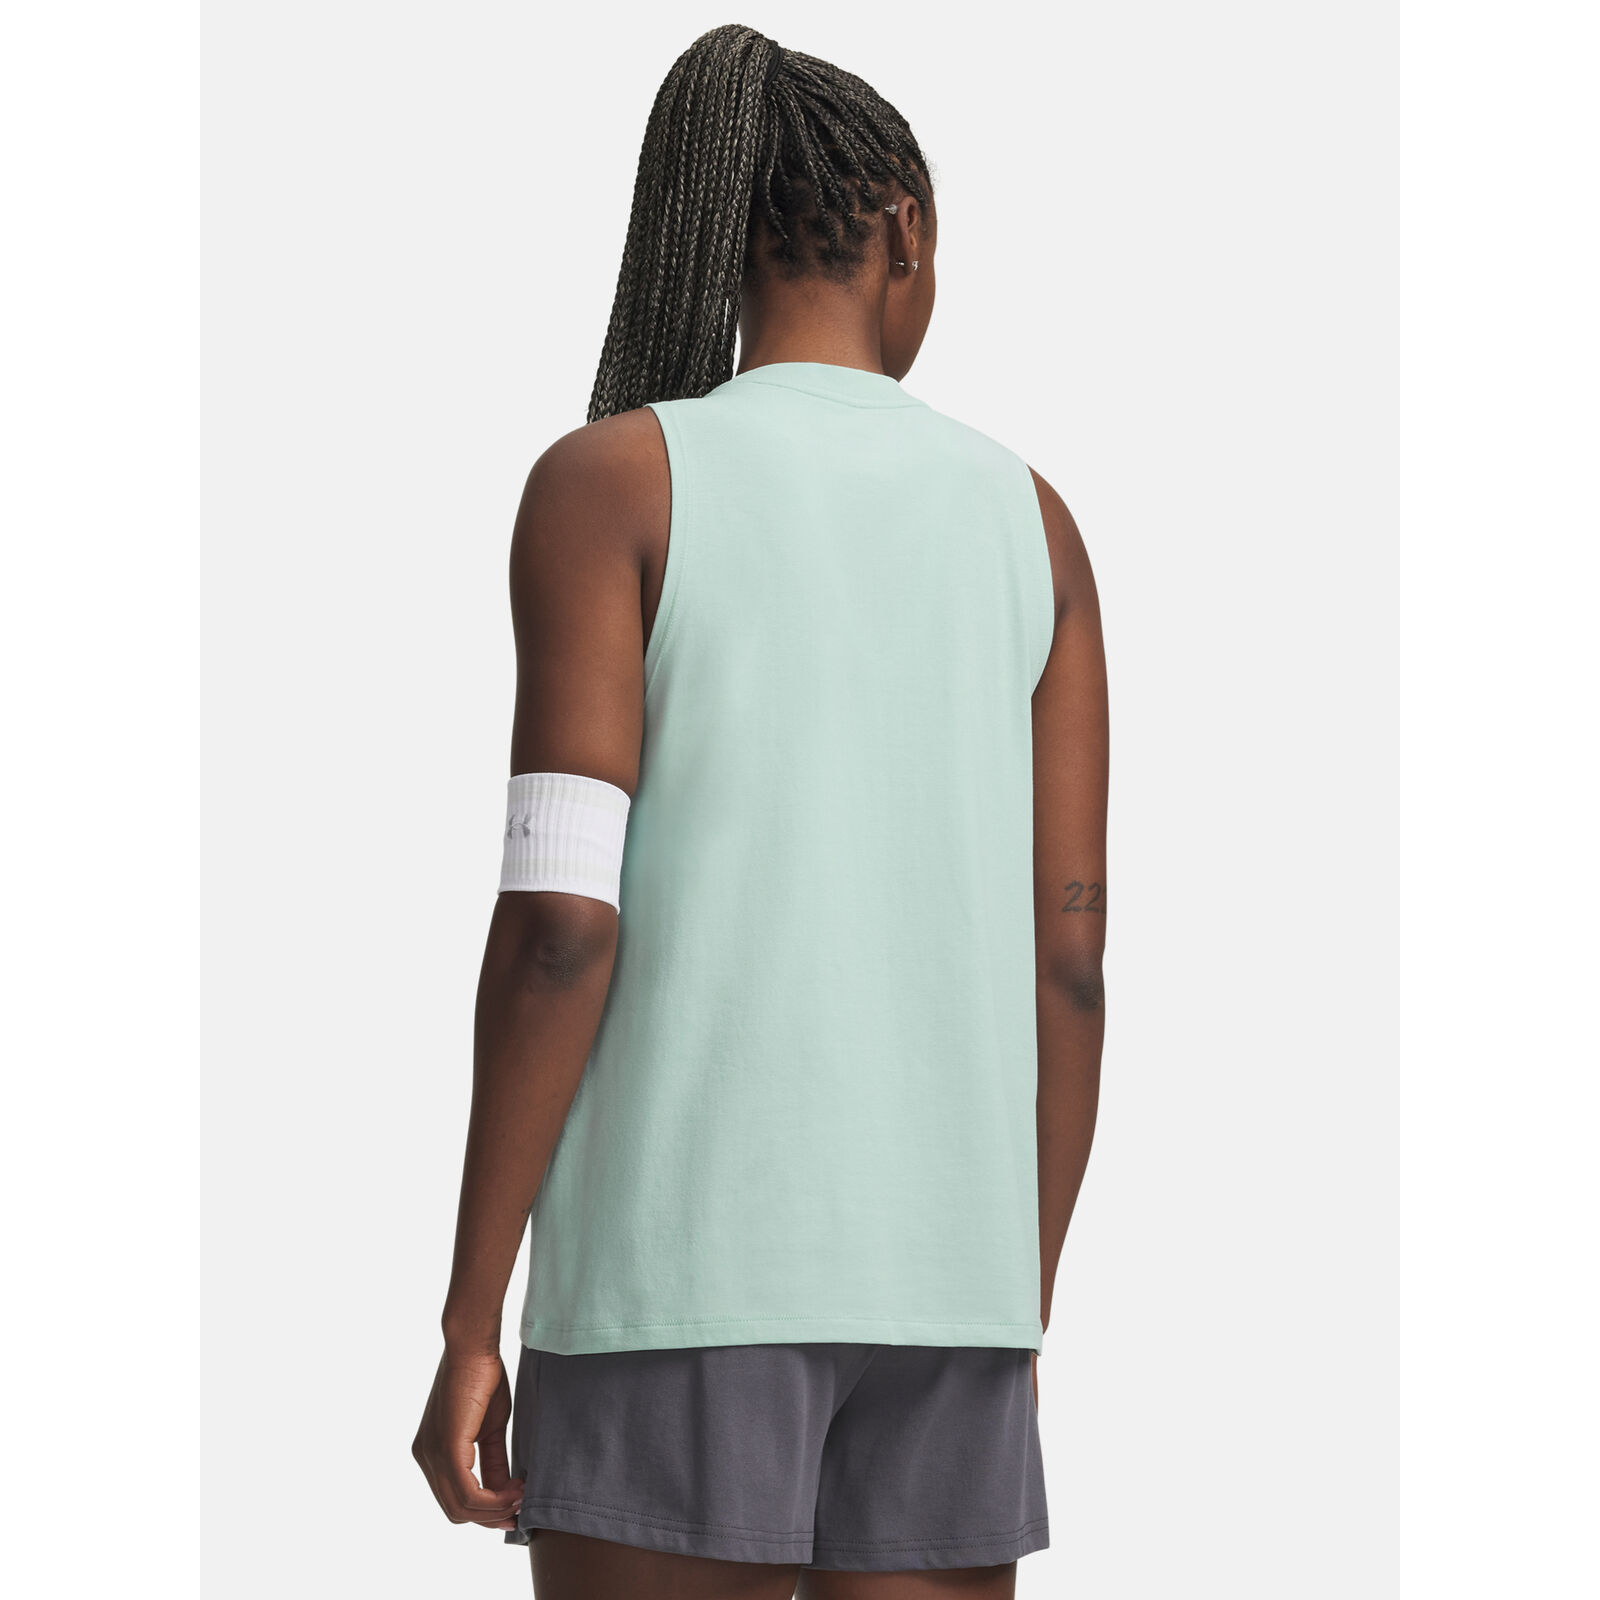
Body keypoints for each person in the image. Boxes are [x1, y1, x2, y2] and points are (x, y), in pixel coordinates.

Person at [412, 24, 1108, 1600]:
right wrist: (1013, 1300)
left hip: (672, 1284)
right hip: (953, 1300)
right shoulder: (1035, 525)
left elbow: (561, 923)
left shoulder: (611, 487)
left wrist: (469, 1316)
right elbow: (1069, 965)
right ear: (906, 231)